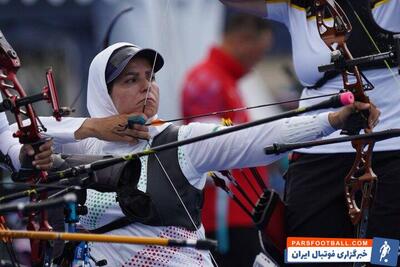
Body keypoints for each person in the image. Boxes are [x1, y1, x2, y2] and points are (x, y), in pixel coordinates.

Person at [41, 42, 378, 266]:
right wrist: (92, 127)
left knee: (377, 254)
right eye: (131, 80)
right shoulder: (78, 146)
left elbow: (259, 137)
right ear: (104, 93)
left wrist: (333, 120)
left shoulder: (183, 142)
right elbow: (17, 135)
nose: (147, 86)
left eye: (150, 77)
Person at [218, 0, 400, 264]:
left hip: (388, 149)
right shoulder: (296, 5)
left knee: (386, 255)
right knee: (308, 254)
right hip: (316, 149)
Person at [180, 13, 272, 266]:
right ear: (243, 40)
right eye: (259, 52)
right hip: (224, 219)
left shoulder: (224, 80)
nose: (258, 61)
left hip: (242, 212)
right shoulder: (208, 80)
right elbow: (205, 153)